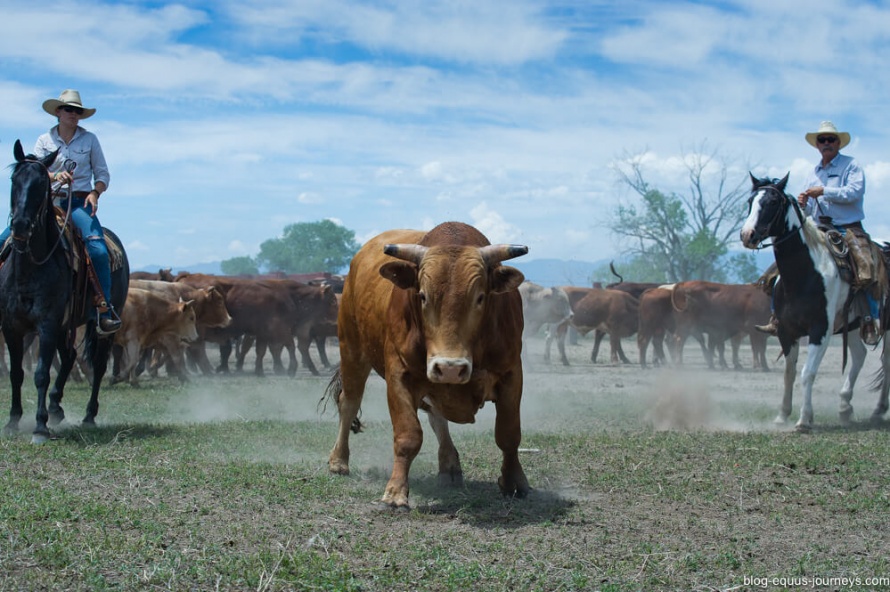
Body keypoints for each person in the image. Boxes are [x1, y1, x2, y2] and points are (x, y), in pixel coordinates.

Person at [0, 89, 120, 334]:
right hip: (49, 202)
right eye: (69, 110)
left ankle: (103, 309)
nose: (73, 114)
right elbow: (35, 170)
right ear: (58, 112)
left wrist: (95, 193)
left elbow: (103, 174)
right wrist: (55, 175)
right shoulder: (45, 140)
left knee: (97, 249)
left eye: (77, 111)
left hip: (78, 203)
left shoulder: (90, 140)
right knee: (4, 240)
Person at [756, 121, 880, 345]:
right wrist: (804, 204)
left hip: (849, 227)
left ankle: (870, 318)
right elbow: (811, 210)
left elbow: (854, 192)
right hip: (819, 228)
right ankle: (777, 317)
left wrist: (823, 190)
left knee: (866, 267)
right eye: (822, 140)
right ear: (817, 145)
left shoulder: (851, 166)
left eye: (830, 139)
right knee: (776, 273)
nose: (826, 143)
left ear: (838, 143)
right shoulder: (813, 173)